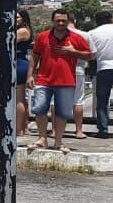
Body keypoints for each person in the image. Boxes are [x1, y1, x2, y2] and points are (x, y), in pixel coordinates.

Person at [28, 9, 92, 153]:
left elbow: (89, 55)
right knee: (39, 109)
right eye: (58, 20)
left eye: (64, 20)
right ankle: (42, 138)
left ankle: (58, 142)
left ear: (68, 21)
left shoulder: (76, 38)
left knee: (63, 113)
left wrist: (72, 52)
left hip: (66, 81)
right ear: (53, 21)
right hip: (44, 79)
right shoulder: (42, 37)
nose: (61, 23)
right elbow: (35, 56)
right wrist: (30, 75)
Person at [88, 11, 113, 139]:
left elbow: (91, 55)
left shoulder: (91, 33)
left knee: (102, 101)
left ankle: (103, 130)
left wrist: (92, 70)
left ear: (96, 21)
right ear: (110, 19)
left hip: (103, 68)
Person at [14, 10, 34, 137]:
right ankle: (24, 126)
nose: (15, 19)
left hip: (18, 64)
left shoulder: (22, 31)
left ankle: (18, 129)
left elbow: (7, 41)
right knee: (22, 98)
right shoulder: (26, 30)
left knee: (18, 98)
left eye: (17, 17)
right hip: (20, 63)